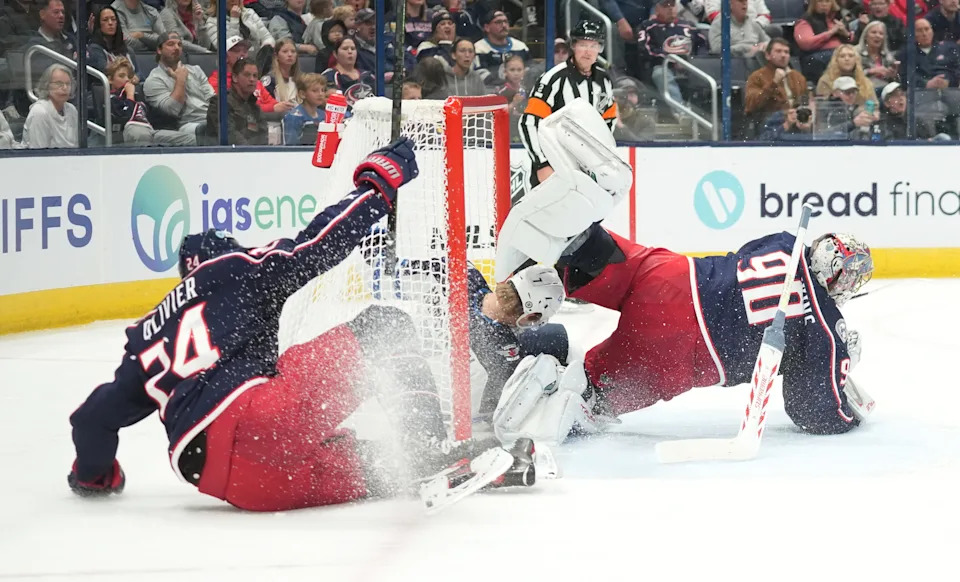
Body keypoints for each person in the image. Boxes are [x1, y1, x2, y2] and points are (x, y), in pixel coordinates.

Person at [66, 138, 530, 510]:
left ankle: (428, 464)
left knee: (383, 465)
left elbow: (91, 420)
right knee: (384, 324)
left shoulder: (149, 332)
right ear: (223, 252)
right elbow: (316, 246)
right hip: (261, 421)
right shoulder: (236, 270)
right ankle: (431, 451)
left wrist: (95, 476)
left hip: (233, 485)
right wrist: (376, 187)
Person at [493, 219, 876, 445]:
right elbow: (813, 411)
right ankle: (538, 386)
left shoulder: (785, 243)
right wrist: (844, 380)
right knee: (590, 396)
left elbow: (745, 257)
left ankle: (523, 285)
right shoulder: (824, 330)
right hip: (679, 343)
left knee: (595, 258)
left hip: (670, 275)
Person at [519, 20, 616, 189]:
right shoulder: (553, 79)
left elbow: (608, 119)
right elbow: (529, 123)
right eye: (583, 44)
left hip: (588, 166)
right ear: (573, 46)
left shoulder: (604, 80)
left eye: (594, 46)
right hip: (554, 163)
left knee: (588, 214)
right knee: (549, 214)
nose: (588, 51)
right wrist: (542, 164)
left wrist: (600, 158)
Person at [143, 31, 214, 141]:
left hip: (209, 119)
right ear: (159, 50)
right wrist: (181, 80)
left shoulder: (196, 70)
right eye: (171, 44)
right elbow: (172, 109)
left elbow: (212, 99)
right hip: (185, 125)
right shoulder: (154, 80)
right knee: (212, 129)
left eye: (179, 45)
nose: (176, 48)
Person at [107, 57, 195, 145]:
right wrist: (130, 95)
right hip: (129, 131)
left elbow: (154, 116)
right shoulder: (111, 98)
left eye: (129, 76)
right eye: (121, 76)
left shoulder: (138, 94)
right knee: (141, 135)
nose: (127, 79)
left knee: (189, 139)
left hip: (150, 131)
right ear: (110, 79)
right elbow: (125, 118)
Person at [208, 36, 295, 116]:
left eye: (245, 51)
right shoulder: (217, 81)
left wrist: (281, 106)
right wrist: (271, 108)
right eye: (237, 51)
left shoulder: (255, 80)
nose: (242, 54)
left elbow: (273, 103)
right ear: (225, 57)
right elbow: (234, 108)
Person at [744, 38, 809, 135]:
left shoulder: (798, 77)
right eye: (778, 51)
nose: (783, 55)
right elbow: (752, 105)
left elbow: (806, 101)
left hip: (797, 123)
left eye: (786, 52)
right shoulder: (757, 76)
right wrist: (774, 82)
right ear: (767, 55)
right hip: (771, 125)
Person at [206, 58, 268, 145]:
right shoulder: (220, 103)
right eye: (247, 75)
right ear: (235, 77)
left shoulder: (255, 108)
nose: (252, 79)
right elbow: (231, 136)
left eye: (255, 76)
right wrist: (252, 152)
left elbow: (263, 137)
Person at [794, 0, 854, 81]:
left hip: (841, 51)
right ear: (814, 4)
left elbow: (853, 41)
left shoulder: (838, 18)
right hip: (817, 55)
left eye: (827, 1)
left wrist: (846, 33)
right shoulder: (805, 20)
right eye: (820, 1)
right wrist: (831, 32)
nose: (824, 4)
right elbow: (806, 43)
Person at [22, 63, 78, 148]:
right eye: (59, 83)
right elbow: (39, 154)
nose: (65, 88)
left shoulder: (71, 110)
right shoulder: (40, 112)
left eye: (68, 84)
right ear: (46, 85)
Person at [206, 0, 275, 58]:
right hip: (234, 63)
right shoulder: (212, 22)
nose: (233, 0)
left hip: (257, 58)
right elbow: (228, 48)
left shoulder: (249, 13)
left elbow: (267, 37)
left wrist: (266, 50)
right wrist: (234, 20)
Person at [87, 6, 141, 79]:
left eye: (113, 19)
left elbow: (139, 73)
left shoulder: (128, 51)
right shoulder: (94, 49)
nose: (110, 23)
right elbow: (106, 72)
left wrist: (136, 78)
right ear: (98, 24)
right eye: (105, 20)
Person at [320, 37, 375, 104]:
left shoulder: (368, 76)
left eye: (353, 49)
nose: (350, 51)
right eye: (345, 49)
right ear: (335, 54)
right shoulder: (328, 76)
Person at [282, 72, 326, 144]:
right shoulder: (293, 117)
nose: (321, 94)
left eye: (323, 90)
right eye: (315, 91)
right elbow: (291, 146)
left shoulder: (324, 115)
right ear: (302, 94)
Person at [857, 20, 899, 91]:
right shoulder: (855, 52)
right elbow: (852, 75)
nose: (877, 36)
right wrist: (870, 71)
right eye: (874, 32)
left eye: (881, 33)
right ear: (866, 36)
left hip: (884, 91)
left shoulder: (888, 56)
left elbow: (896, 81)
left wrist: (893, 75)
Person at [261, 37, 301, 104]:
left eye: (293, 51)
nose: (290, 55)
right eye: (285, 51)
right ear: (276, 56)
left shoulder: (302, 79)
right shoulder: (269, 80)